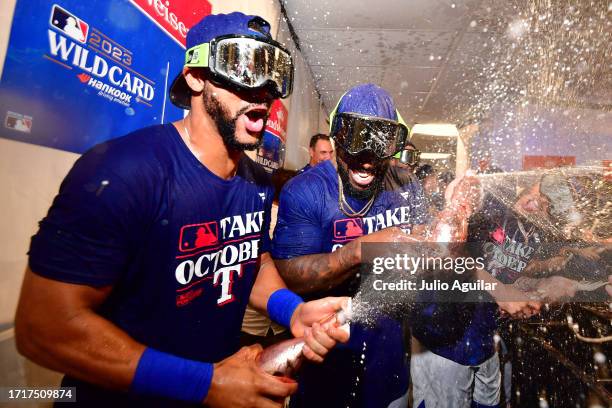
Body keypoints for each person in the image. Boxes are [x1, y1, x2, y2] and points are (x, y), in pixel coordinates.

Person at [15, 12, 348, 408]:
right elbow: (44, 328)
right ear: (194, 76)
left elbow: (250, 262)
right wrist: (204, 384)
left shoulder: (257, 183)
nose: (262, 91)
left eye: (273, 73)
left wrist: (293, 311)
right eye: (241, 65)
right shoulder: (124, 172)